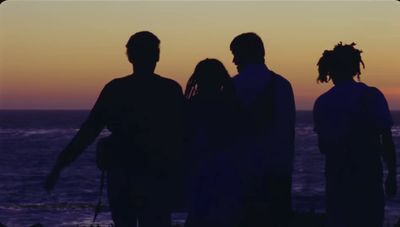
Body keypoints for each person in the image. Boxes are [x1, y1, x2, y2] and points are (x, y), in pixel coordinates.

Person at [44, 31, 185, 227]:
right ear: (157, 56)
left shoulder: (115, 89)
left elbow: (88, 132)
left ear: (130, 57)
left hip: (124, 173)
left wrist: (58, 167)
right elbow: (183, 135)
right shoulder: (170, 89)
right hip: (155, 175)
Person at [313, 42, 397, 227]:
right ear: (355, 67)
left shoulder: (322, 102)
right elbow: (387, 139)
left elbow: (323, 146)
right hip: (368, 177)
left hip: (337, 178)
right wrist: (392, 174)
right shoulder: (372, 96)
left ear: (330, 70)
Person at [230, 32, 296, 227]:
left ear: (244, 54)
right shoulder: (283, 86)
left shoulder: (233, 86)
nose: (233, 60)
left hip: (242, 173)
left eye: (235, 54)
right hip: (278, 172)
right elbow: (288, 132)